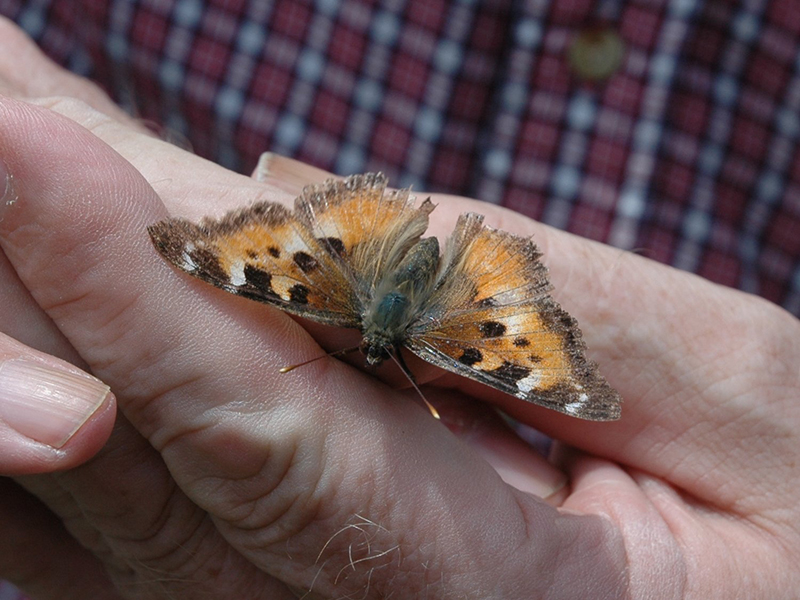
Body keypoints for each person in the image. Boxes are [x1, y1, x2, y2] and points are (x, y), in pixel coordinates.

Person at [0, 9, 798, 600]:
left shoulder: (373, 324)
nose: (378, 354)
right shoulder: (435, 342)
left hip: (360, 254)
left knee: (265, 277)